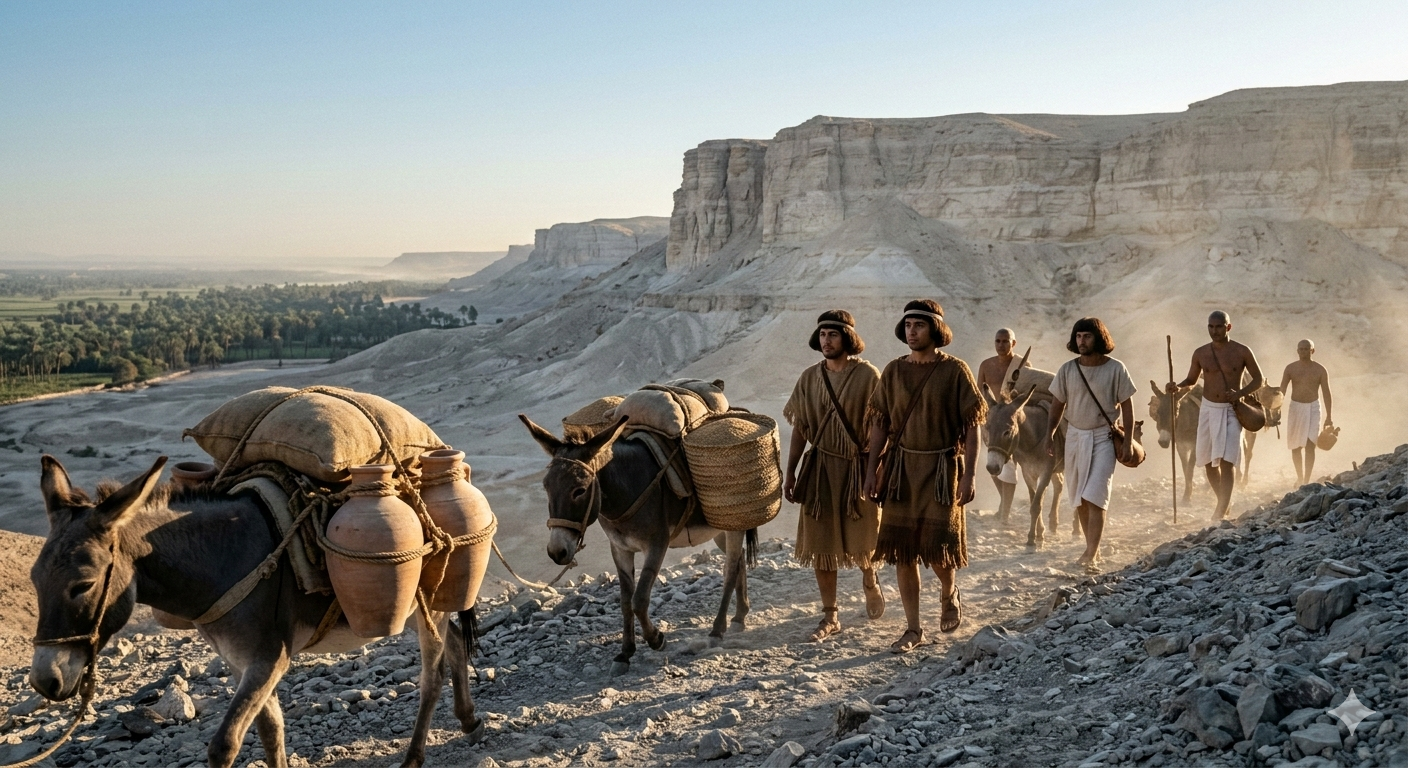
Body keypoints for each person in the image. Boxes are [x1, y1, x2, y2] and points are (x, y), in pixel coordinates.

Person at [862, 300, 984, 652]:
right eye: (908, 325)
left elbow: (973, 426)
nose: (912, 331)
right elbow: (880, 424)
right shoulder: (893, 371)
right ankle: (913, 629)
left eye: (919, 325)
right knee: (903, 551)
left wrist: (970, 475)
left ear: (935, 330)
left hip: (942, 470)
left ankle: (949, 592)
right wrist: (872, 470)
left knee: (938, 549)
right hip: (900, 470)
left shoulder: (955, 370)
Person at [782, 310, 885, 641]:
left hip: (857, 467)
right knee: (821, 542)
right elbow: (801, 427)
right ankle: (830, 616)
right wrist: (791, 472)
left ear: (847, 338)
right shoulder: (809, 378)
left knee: (864, 536)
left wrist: (875, 469)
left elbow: (882, 425)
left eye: (833, 334)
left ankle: (870, 578)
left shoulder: (867, 375)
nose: (826, 340)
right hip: (820, 468)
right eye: (823, 335)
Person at [1045, 318, 1136, 573]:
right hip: (1075, 438)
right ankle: (1091, 547)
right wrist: (1049, 434)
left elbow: (1128, 407)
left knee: (1095, 495)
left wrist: (1128, 441)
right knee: (1080, 499)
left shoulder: (1116, 368)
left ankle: (1091, 553)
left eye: (1087, 336)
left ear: (1099, 338)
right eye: (1079, 336)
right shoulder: (1067, 369)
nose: (1082, 341)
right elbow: (1057, 405)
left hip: (1103, 438)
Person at [1167, 310, 1264, 521]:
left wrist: (1240, 394)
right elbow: (1191, 380)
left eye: (1219, 326)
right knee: (1209, 461)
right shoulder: (1200, 353)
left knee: (1228, 460)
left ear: (1228, 327)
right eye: (1211, 327)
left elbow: (1259, 379)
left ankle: (1220, 510)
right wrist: (1177, 387)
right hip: (1208, 409)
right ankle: (1223, 502)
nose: (1214, 331)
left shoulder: (1242, 351)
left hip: (1231, 410)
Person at [976, 328, 1028, 521]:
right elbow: (979, 392)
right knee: (993, 464)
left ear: (1013, 343)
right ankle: (1004, 503)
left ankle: (1005, 511)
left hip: (1010, 422)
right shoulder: (986, 365)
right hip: (990, 421)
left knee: (1010, 467)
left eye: (1005, 341)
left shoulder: (1022, 365)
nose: (1001, 345)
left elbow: (1025, 394)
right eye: (998, 341)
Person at [1279, 339, 1333, 485]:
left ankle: (1306, 480)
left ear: (1312, 351)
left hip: (1313, 407)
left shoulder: (1320, 369)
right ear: (1297, 351)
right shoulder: (1290, 368)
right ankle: (1300, 477)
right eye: (1301, 349)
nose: (1303, 352)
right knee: (1295, 446)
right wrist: (1275, 409)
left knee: (1310, 445)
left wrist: (1329, 416)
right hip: (1296, 407)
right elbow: (1282, 390)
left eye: (1306, 349)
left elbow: (1326, 393)